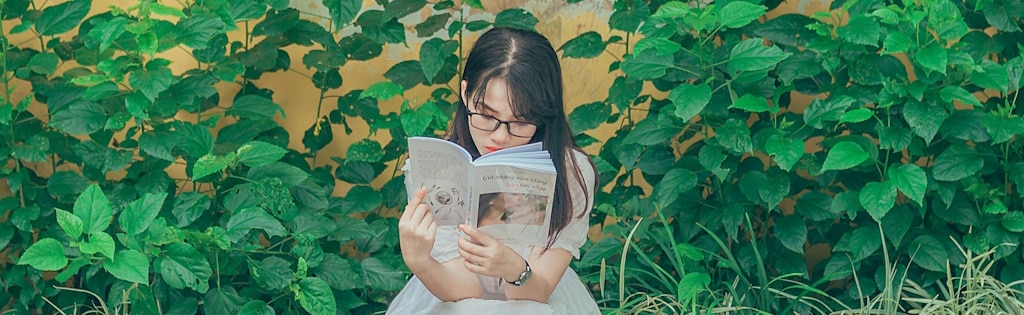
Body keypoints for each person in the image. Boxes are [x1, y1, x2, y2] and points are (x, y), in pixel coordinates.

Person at [387, 27, 600, 314]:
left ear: (544, 115)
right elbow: (465, 292)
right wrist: (420, 261)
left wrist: (513, 267)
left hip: (536, 300)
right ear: (465, 93)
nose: (500, 137)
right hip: (456, 300)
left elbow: (540, 290)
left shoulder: (571, 173)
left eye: (521, 122)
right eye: (487, 116)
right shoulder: (433, 167)